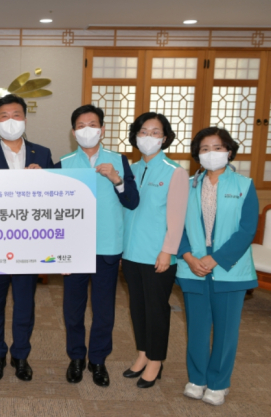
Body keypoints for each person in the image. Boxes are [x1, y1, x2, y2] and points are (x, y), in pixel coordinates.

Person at [0, 94, 54, 383]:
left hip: (29, 244)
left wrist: (44, 177)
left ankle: (21, 355)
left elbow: (55, 198)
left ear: (25, 119)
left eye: (16, 115)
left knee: (24, 304)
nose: (10, 121)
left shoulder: (43, 154)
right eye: (4, 116)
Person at [58, 105, 139, 387]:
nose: (87, 130)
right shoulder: (64, 163)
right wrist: (59, 253)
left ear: (102, 129)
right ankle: (76, 358)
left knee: (104, 310)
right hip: (74, 249)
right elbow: (54, 210)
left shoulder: (119, 161)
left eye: (92, 124)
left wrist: (117, 179)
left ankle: (98, 360)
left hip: (107, 246)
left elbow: (132, 202)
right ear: (73, 132)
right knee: (73, 310)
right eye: (81, 126)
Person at [177, 127, 258, 406]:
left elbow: (247, 230)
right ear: (197, 154)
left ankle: (219, 382)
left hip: (229, 267)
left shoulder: (245, 185)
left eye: (218, 148)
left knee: (226, 330)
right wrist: (188, 257)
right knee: (197, 328)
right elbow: (176, 225)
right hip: (193, 265)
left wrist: (217, 258)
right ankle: (197, 378)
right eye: (205, 149)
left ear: (229, 151)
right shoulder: (187, 185)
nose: (211, 153)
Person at [121, 112, 189, 388]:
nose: (148, 137)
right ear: (135, 136)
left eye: (155, 132)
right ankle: (142, 354)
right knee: (137, 307)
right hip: (130, 252)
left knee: (156, 308)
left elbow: (177, 217)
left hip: (158, 254)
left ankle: (156, 360)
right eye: (143, 131)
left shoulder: (175, 172)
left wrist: (168, 250)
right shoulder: (131, 170)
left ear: (165, 137)